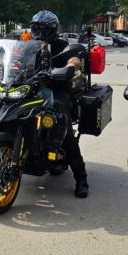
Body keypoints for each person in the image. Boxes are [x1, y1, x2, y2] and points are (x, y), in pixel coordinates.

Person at [30, 10, 89, 198]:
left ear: (52, 29)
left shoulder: (62, 45)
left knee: (64, 130)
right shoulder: (29, 45)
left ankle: (81, 179)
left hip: (57, 92)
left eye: (44, 29)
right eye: (37, 28)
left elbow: (74, 59)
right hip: (33, 89)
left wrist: (71, 66)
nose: (40, 32)